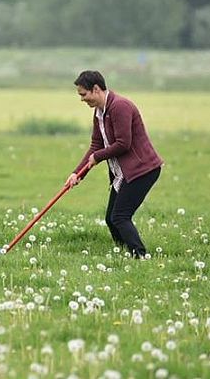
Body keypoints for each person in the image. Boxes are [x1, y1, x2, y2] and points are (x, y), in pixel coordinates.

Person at [66, 70, 163, 258]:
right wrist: (77, 173)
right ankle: (123, 253)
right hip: (123, 173)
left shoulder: (120, 107)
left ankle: (140, 256)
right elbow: (96, 144)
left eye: (83, 94)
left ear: (96, 89)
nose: (82, 99)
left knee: (120, 216)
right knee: (111, 219)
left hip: (142, 170)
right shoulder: (99, 112)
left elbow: (123, 143)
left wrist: (99, 156)